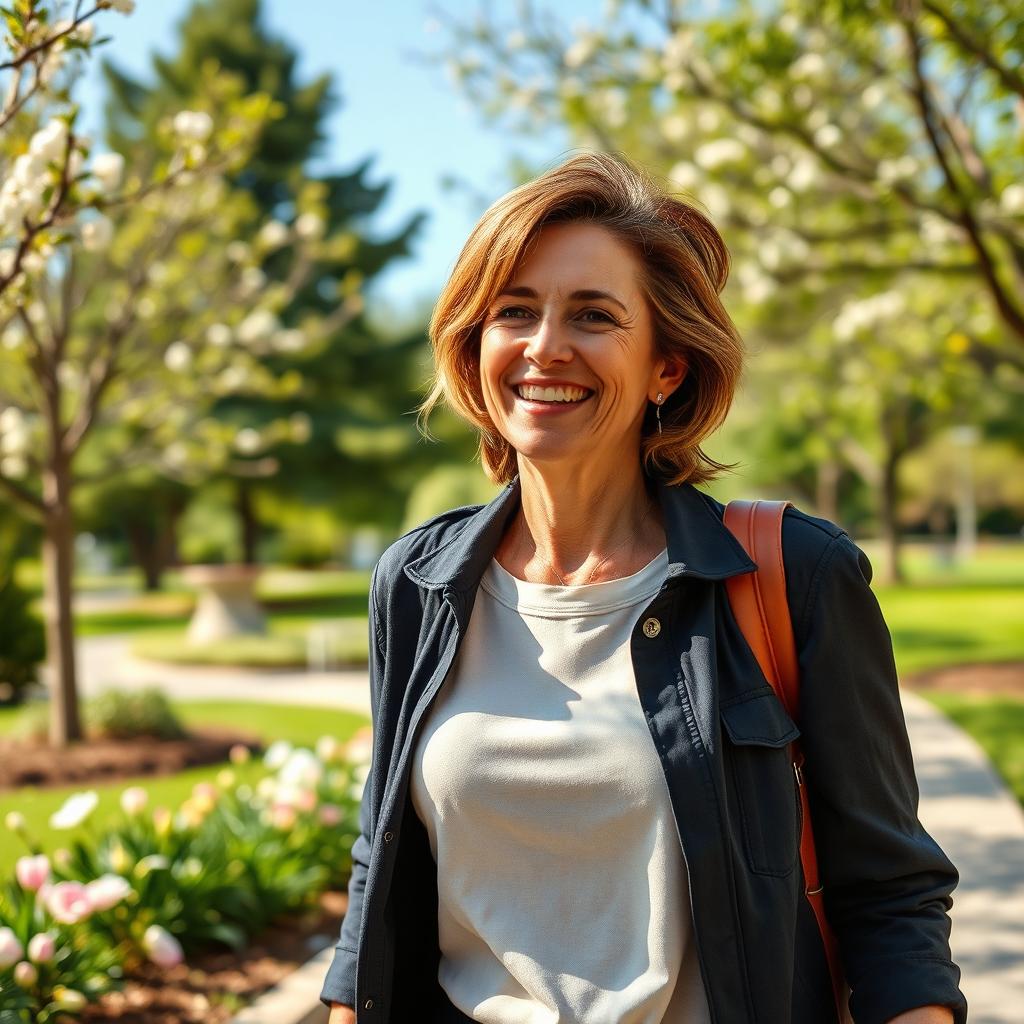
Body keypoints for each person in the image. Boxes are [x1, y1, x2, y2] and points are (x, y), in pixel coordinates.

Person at [322, 151, 967, 1023]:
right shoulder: (418, 583)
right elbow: (379, 866)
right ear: (476, 346)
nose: (546, 347)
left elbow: (890, 895)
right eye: (515, 311)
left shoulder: (796, 574)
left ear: (667, 368)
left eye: (593, 316)